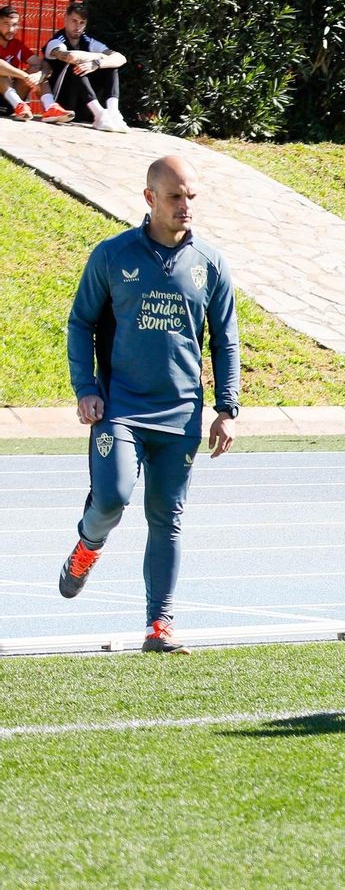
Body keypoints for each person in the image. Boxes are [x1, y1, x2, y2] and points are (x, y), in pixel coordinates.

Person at [58, 155, 241, 654]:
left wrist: (227, 408)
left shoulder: (210, 262)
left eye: (192, 197)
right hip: (119, 408)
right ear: (150, 199)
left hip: (181, 413)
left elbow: (225, 340)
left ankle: (159, 627)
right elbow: (80, 323)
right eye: (176, 196)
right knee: (113, 498)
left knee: (167, 516)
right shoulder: (113, 256)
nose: (186, 206)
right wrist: (86, 388)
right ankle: (86, 546)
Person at [41, 2, 129, 132]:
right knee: (76, 65)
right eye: (74, 21)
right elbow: (72, 57)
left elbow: (121, 58)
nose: (78, 27)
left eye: (82, 22)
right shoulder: (56, 41)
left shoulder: (88, 41)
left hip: (84, 105)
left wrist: (97, 64)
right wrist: (100, 56)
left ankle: (113, 113)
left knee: (110, 66)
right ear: (65, 19)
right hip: (64, 104)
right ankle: (99, 114)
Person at [0, 5, 68, 122]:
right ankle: (20, 105)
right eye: (6, 24)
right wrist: (25, 76)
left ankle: (50, 107)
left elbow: (44, 64)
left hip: (10, 103)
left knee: (37, 69)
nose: (11, 30)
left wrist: (38, 76)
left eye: (15, 25)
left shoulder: (17, 45)